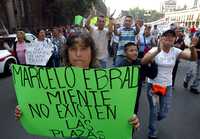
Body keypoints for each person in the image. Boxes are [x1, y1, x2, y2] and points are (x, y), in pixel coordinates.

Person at [15, 32, 140, 138]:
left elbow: (117, 111)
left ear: (92, 52)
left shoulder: (107, 82)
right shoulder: (54, 80)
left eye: (84, 48)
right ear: (67, 53)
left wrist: (131, 121)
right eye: (73, 49)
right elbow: (41, 105)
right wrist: (25, 111)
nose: (78, 54)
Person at [141, 29, 197, 139]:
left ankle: (155, 119)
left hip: (167, 87)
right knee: (154, 110)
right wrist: (157, 51)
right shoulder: (154, 49)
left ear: (175, 39)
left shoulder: (175, 51)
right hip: (154, 87)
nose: (169, 38)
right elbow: (143, 61)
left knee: (164, 112)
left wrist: (192, 48)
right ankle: (152, 132)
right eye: (166, 36)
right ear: (161, 38)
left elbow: (193, 58)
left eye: (172, 36)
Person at [116, 42, 157, 114]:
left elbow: (152, 75)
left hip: (136, 96)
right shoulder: (120, 66)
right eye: (131, 51)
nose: (135, 53)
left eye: (136, 50)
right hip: (122, 97)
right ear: (125, 53)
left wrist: (153, 63)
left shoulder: (141, 63)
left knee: (133, 114)